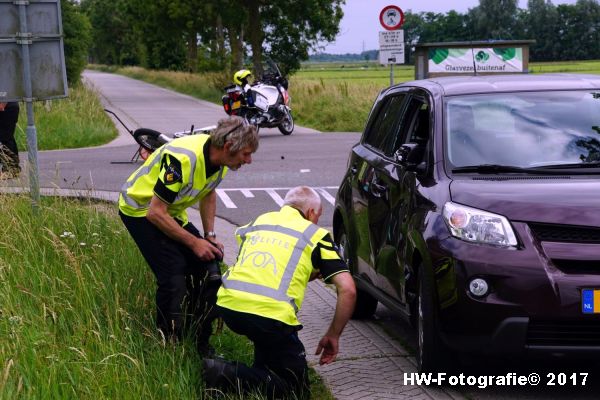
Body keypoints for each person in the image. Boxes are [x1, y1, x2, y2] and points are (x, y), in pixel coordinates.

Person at [118, 116, 259, 356]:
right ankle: (168, 344)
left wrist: (209, 235)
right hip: (141, 211)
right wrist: (194, 242)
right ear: (228, 147)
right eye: (246, 154)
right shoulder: (182, 159)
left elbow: (209, 193)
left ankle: (199, 342)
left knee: (208, 268)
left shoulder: (220, 161)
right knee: (173, 274)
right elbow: (155, 213)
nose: (249, 160)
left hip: (169, 211)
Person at [203, 186, 356, 399]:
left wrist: (306, 273)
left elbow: (265, 265)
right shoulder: (315, 234)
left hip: (229, 305)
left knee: (269, 363)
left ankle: (238, 383)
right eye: (318, 217)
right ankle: (224, 373)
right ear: (312, 213)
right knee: (296, 392)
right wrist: (333, 334)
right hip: (269, 316)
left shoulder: (259, 221)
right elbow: (348, 290)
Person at [0, 102, 21, 178]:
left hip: (7, 106)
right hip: (9, 106)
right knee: (7, 137)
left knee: (4, 138)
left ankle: (10, 169)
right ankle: (13, 168)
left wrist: (2, 104)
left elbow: (5, 91)